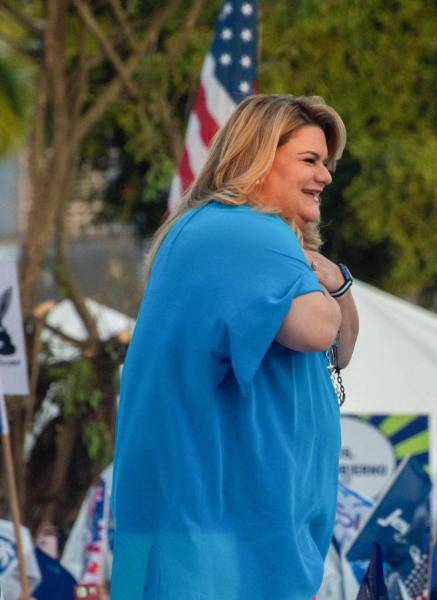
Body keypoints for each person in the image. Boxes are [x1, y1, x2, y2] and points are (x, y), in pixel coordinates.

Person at [111, 94, 359, 599]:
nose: (326, 177)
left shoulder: (226, 232)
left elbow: (340, 351)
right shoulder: (243, 230)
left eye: (326, 163)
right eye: (310, 161)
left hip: (228, 541)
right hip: (217, 545)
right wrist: (329, 284)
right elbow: (319, 330)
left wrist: (333, 280)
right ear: (259, 159)